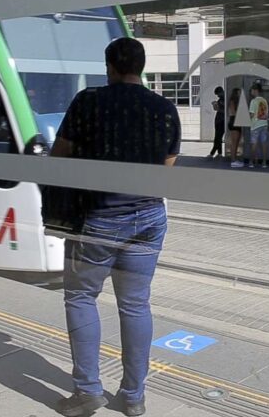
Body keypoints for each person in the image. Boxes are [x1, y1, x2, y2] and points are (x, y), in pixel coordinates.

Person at [50, 37, 181, 417]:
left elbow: (60, 156)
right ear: (141, 66)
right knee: (136, 304)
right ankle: (133, 397)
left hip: (98, 217)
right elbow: (167, 165)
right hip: (149, 217)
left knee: (80, 297)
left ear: (108, 66)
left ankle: (88, 391)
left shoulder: (89, 101)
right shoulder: (164, 108)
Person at [248, 82, 269, 169]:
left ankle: (251, 162)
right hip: (264, 124)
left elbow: (252, 115)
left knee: (254, 144)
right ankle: (264, 163)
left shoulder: (253, 101)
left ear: (255, 90)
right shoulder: (264, 100)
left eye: (252, 90)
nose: (251, 92)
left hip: (255, 125)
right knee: (264, 143)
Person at [206, 87, 226, 160]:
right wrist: (215, 105)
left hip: (222, 121)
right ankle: (219, 153)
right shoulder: (221, 99)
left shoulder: (224, 99)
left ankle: (212, 153)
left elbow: (223, 110)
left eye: (218, 94)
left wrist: (217, 107)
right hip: (218, 120)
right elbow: (216, 109)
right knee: (218, 138)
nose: (218, 96)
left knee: (217, 138)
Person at [227, 88, 244, 168]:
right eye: (239, 93)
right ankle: (233, 160)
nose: (240, 94)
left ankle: (235, 159)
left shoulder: (236, 102)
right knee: (234, 142)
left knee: (236, 142)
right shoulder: (232, 101)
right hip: (234, 122)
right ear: (236, 93)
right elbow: (233, 112)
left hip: (236, 122)